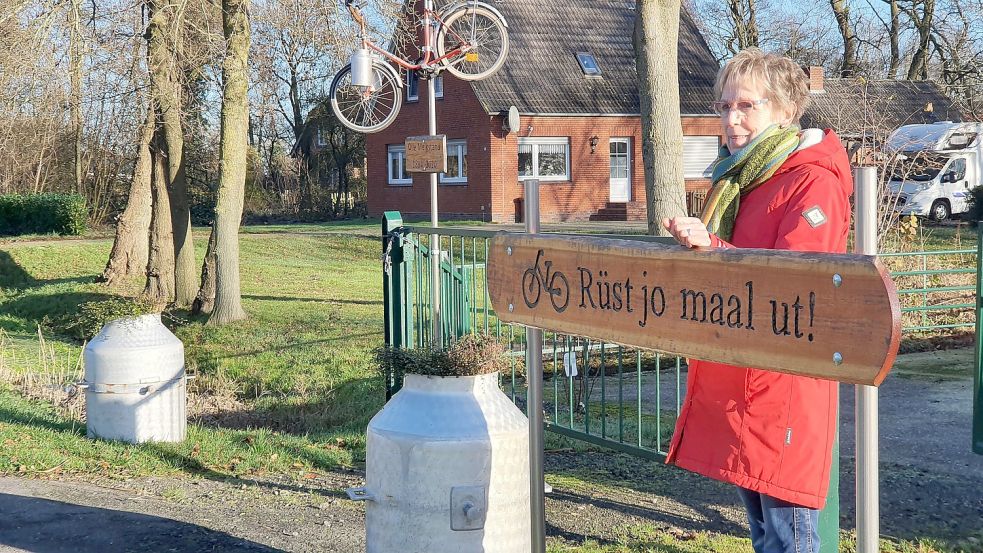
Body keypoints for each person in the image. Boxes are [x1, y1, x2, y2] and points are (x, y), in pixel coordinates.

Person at [662, 48, 852, 553]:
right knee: (766, 537)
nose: (731, 119)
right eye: (724, 106)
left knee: (790, 540)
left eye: (746, 105)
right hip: (748, 382)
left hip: (785, 390)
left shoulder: (812, 181)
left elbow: (797, 288)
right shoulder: (742, 177)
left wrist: (714, 248)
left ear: (786, 109)